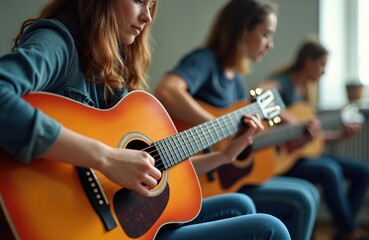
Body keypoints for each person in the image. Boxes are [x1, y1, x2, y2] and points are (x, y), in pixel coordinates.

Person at [0, 0, 292, 239]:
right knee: (271, 229)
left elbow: (157, 167)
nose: (147, 17)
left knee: (240, 203)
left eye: (152, 5)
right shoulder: (57, 41)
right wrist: (105, 158)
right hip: (65, 218)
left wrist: (225, 156)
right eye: (139, 1)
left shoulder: (113, 66)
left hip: (118, 220)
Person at [154, 0, 319, 240]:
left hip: (226, 175)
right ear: (244, 31)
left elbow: (245, 145)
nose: (270, 45)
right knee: (302, 200)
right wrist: (217, 127)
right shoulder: (205, 60)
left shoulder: (239, 83)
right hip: (198, 178)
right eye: (266, 35)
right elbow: (167, 91)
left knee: (309, 192)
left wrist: (293, 140)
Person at [259, 37, 369, 240]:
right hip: (283, 159)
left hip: (303, 154)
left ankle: (344, 229)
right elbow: (259, 93)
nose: (324, 71)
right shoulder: (284, 82)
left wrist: (340, 136)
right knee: (330, 170)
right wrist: (289, 120)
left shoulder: (309, 91)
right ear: (308, 62)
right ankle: (350, 231)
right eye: (322, 65)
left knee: (363, 172)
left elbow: (312, 139)